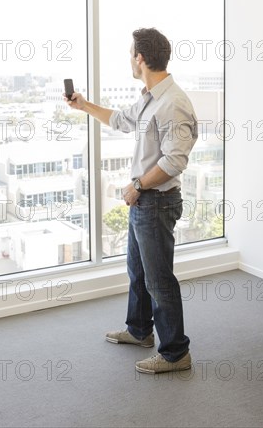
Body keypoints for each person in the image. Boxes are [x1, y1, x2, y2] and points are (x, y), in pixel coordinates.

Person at [66, 28, 198, 374]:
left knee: (159, 280)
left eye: (130, 54)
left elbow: (174, 161)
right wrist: (84, 106)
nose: (129, 59)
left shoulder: (174, 103)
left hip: (155, 201)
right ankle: (140, 331)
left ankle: (175, 353)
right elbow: (121, 120)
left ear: (140, 58)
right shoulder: (151, 97)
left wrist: (137, 184)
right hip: (143, 202)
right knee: (137, 272)